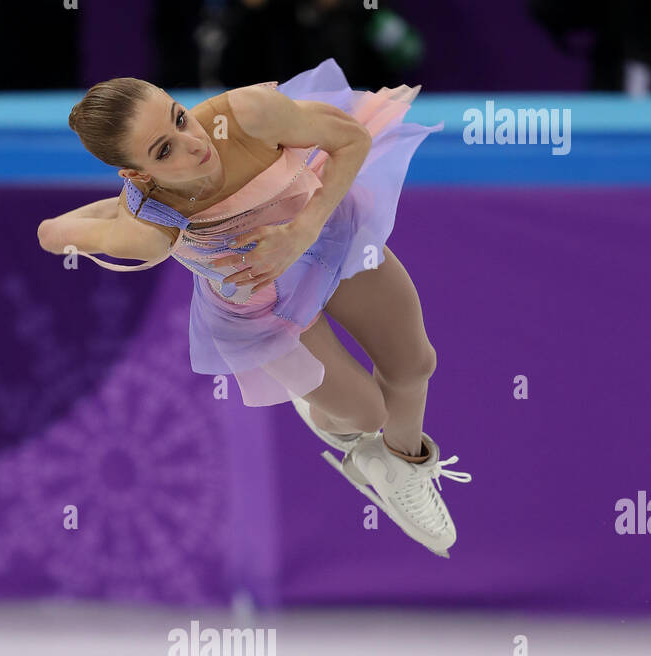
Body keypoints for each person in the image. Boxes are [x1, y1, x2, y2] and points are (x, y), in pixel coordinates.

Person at [37, 58, 472, 558]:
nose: (194, 143)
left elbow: (351, 138)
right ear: (136, 172)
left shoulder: (249, 114)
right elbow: (55, 233)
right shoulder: (150, 231)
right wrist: (80, 222)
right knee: (366, 412)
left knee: (415, 364)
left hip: (330, 238)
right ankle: (333, 417)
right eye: (165, 150)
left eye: (180, 118)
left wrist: (300, 231)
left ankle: (400, 467)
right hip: (262, 306)